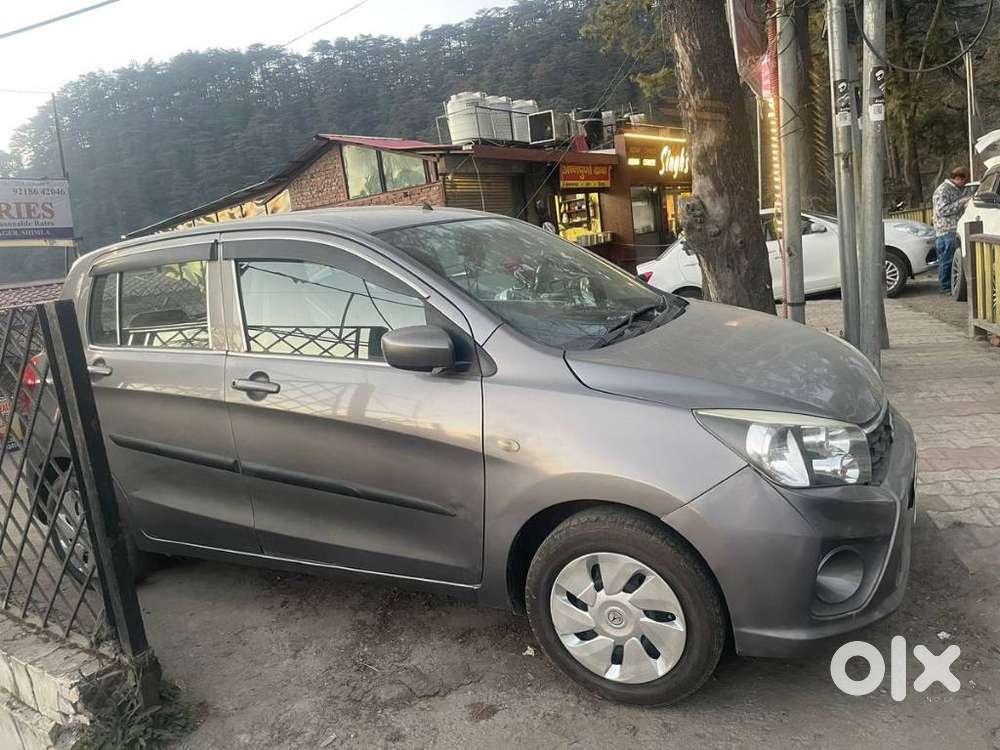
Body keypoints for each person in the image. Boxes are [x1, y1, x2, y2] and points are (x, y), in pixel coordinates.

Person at [932, 166, 971, 294]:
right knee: (946, 260)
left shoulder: (952, 189)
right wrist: (961, 202)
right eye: (963, 181)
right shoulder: (943, 190)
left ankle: (948, 286)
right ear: (958, 178)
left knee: (948, 259)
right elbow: (942, 210)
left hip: (951, 230)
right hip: (946, 230)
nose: (963, 185)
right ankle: (945, 287)